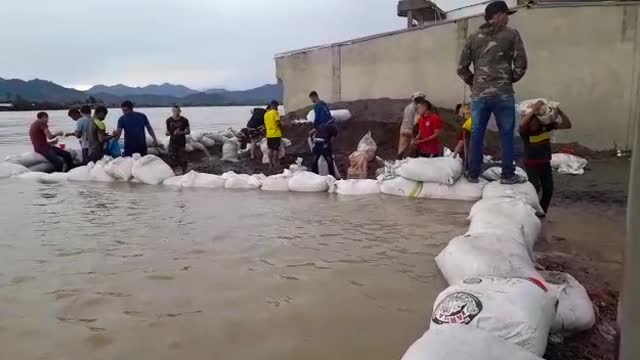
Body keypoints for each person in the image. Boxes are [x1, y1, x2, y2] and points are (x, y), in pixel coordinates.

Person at [457, 0, 528, 184]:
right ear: (498, 15)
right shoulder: (512, 35)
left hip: (480, 95)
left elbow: (461, 67)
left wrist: (475, 83)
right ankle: (507, 175)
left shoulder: (473, 37)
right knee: (506, 133)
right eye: (506, 15)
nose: (507, 19)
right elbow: (521, 65)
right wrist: (508, 79)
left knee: (477, 133)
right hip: (503, 94)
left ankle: (473, 174)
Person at [519, 100, 572, 216]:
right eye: (532, 121)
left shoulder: (546, 126)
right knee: (534, 188)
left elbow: (567, 125)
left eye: (536, 121)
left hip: (545, 162)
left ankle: (541, 212)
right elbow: (522, 124)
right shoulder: (525, 130)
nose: (534, 124)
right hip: (531, 163)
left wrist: (560, 112)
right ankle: (529, 212)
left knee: (548, 189)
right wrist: (533, 110)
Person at [309, 91, 338, 176]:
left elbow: (317, 120)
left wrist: (314, 129)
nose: (312, 100)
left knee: (315, 159)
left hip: (321, 136)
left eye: (311, 99)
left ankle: (314, 176)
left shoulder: (317, 106)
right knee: (329, 159)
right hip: (327, 136)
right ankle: (332, 177)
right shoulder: (324, 105)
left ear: (314, 97)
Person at [399, 92, 426, 159]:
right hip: (411, 129)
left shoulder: (407, 107)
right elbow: (416, 121)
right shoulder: (417, 108)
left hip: (403, 128)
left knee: (402, 147)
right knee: (412, 148)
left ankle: (398, 161)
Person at [165, 105, 191, 174]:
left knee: (183, 159)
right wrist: (167, 133)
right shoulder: (168, 120)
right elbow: (167, 131)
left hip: (181, 142)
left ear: (180, 111)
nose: (175, 112)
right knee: (171, 158)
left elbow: (188, 132)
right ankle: (172, 173)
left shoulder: (184, 120)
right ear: (172, 111)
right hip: (172, 142)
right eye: (174, 111)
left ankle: (184, 172)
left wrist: (181, 132)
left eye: (177, 111)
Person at [264, 100, 283, 169]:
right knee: (276, 149)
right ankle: (275, 163)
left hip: (269, 134)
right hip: (276, 134)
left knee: (270, 148)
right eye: (277, 106)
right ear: (274, 105)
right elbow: (277, 122)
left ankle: (270, 163)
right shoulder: (275, 112)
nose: (277, 107)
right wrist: (282, 128)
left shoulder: (266, 114)